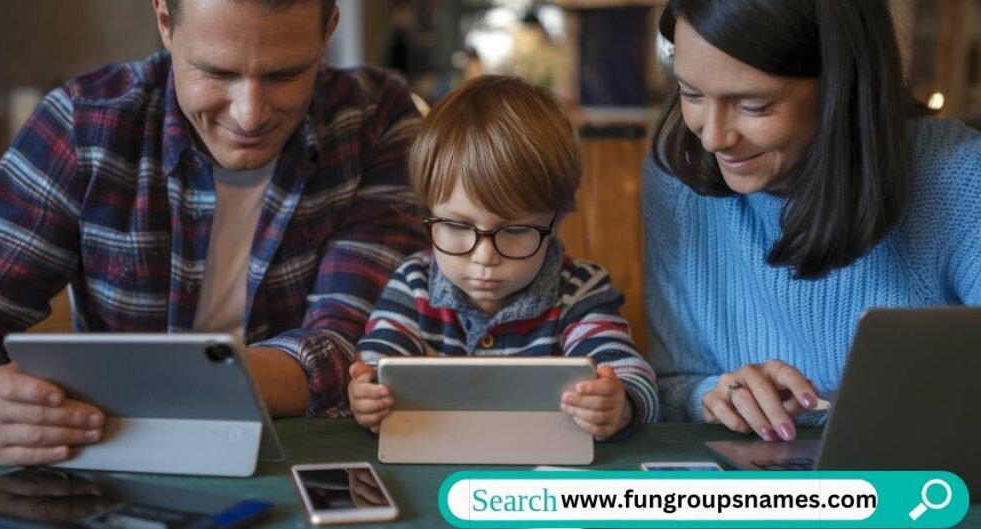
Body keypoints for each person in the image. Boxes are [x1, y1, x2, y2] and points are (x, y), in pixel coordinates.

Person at [0, 0, 428, 466]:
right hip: (113, 464)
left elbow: (350, 347)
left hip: (306, 464)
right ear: (165, 22)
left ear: (328, 30)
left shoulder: (378, 122)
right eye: (217, 73)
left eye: (284, 75)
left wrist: (126, 384)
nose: (249, 115)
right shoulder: (85, 123)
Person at [645, 0, 981, 441]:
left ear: (843, 85)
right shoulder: (677, 176)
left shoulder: (958, 174)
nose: (712, 137)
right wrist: (718, 395)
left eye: (754, 106)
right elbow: (672, 384)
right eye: (691, 94)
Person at [348, 75, 660, 440]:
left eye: (513, 231)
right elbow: (375, 363)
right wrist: (366, 393)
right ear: (427, 211)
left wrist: (618, 404)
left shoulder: (579, 289)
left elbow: (629, 374)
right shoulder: (413, 283)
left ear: (556, 222)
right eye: (456, 226)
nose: (484, 256)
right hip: (432, 455)